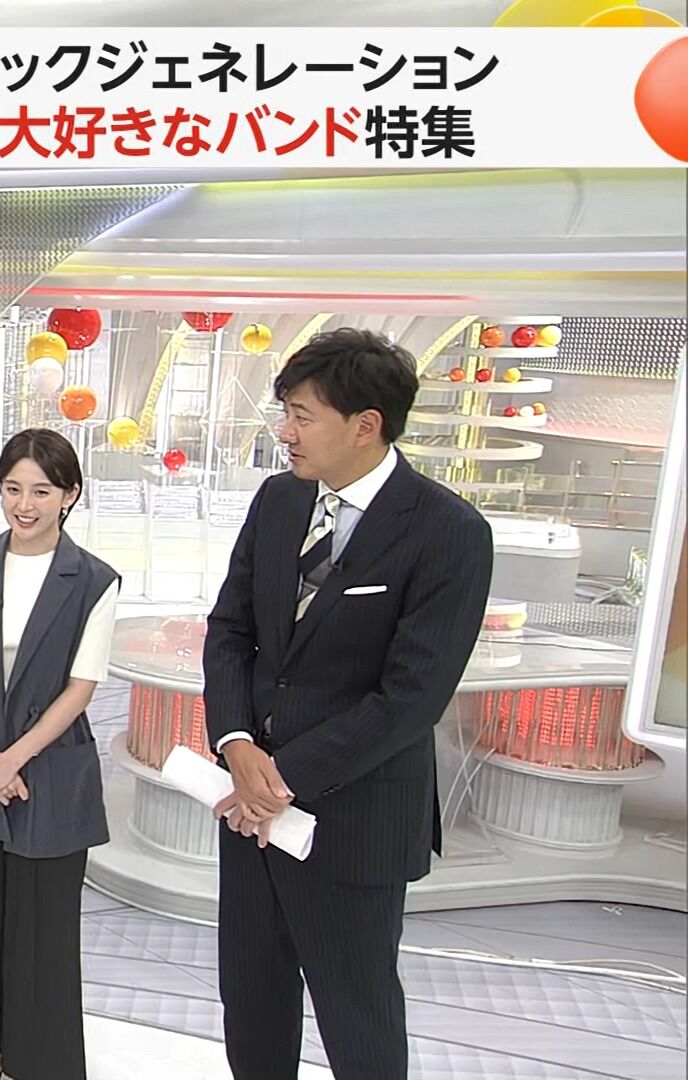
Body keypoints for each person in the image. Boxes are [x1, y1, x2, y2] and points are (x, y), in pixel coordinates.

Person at [204, 328, 493, 1080]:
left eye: (302, 416)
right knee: (252, 1002)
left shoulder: (449, 531)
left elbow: (411, 698)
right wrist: (237, 743)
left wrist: (279, 778)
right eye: (285, 413)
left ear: (366, 425)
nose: (285, 432)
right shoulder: (278, 500)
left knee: (357, 1017)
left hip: (355, 822)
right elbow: (230, 630)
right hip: (250, 813)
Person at [0, 427, 120, 1080]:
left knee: (44, 934)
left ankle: (43, 1065)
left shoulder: (94, 580)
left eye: (40, 491)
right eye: (12, 489)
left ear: (70, 494)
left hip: (51, 771)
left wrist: (13, 760)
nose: (24, 505)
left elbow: (80, 688)